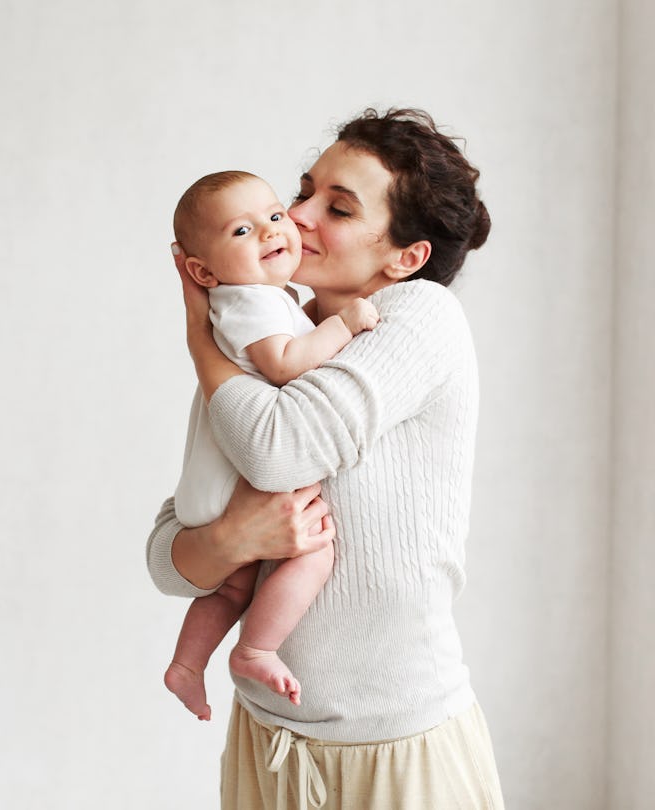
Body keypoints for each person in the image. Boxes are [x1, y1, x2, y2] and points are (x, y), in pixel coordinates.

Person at [147, 108, 505, 809]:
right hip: (272, 743)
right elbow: (168, 553)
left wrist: (201, 343)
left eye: (336, 207)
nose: (296, 215)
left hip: (398, 748)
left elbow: (279, 454)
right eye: (303, 190)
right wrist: (227, 541)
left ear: (405, 258)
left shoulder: (420, 319)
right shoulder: (276, 333)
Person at [165, 171, 379, 721]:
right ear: (202, 271)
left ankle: (187, 665)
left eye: (274, 215)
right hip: (239, 484)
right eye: (242, 230)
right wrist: (346, 325)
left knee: (231, 588)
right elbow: (285, 367)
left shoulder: (260, 301)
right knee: (318, 551)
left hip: (214, 493)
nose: (272, 230)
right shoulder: (252, 302)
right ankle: (256, 648)